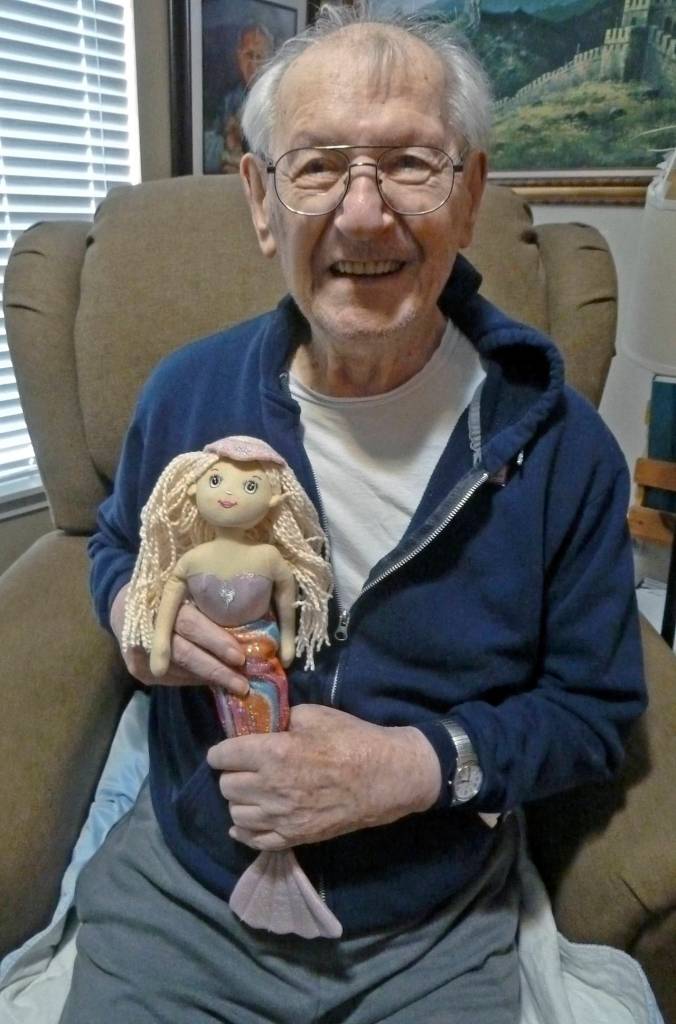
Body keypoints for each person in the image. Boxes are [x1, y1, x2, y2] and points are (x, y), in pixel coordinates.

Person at [59, 4, 646, 1023]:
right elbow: (117, 542)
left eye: (411, 164)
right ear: (260, 197)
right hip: (185, 890)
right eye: (319, 166)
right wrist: (132, 615)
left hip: (429, 918)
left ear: (466, 195)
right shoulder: (183, 396)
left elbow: (594, 714)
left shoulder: (564, 452)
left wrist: (415, 768)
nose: (364, 213)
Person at [204, 23, 274, 174]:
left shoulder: (277, 102)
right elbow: (206, 147)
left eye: (259, 57)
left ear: (269, 61)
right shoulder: (227, 99)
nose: (253, 64)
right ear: (239, 57)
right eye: (249, 55)